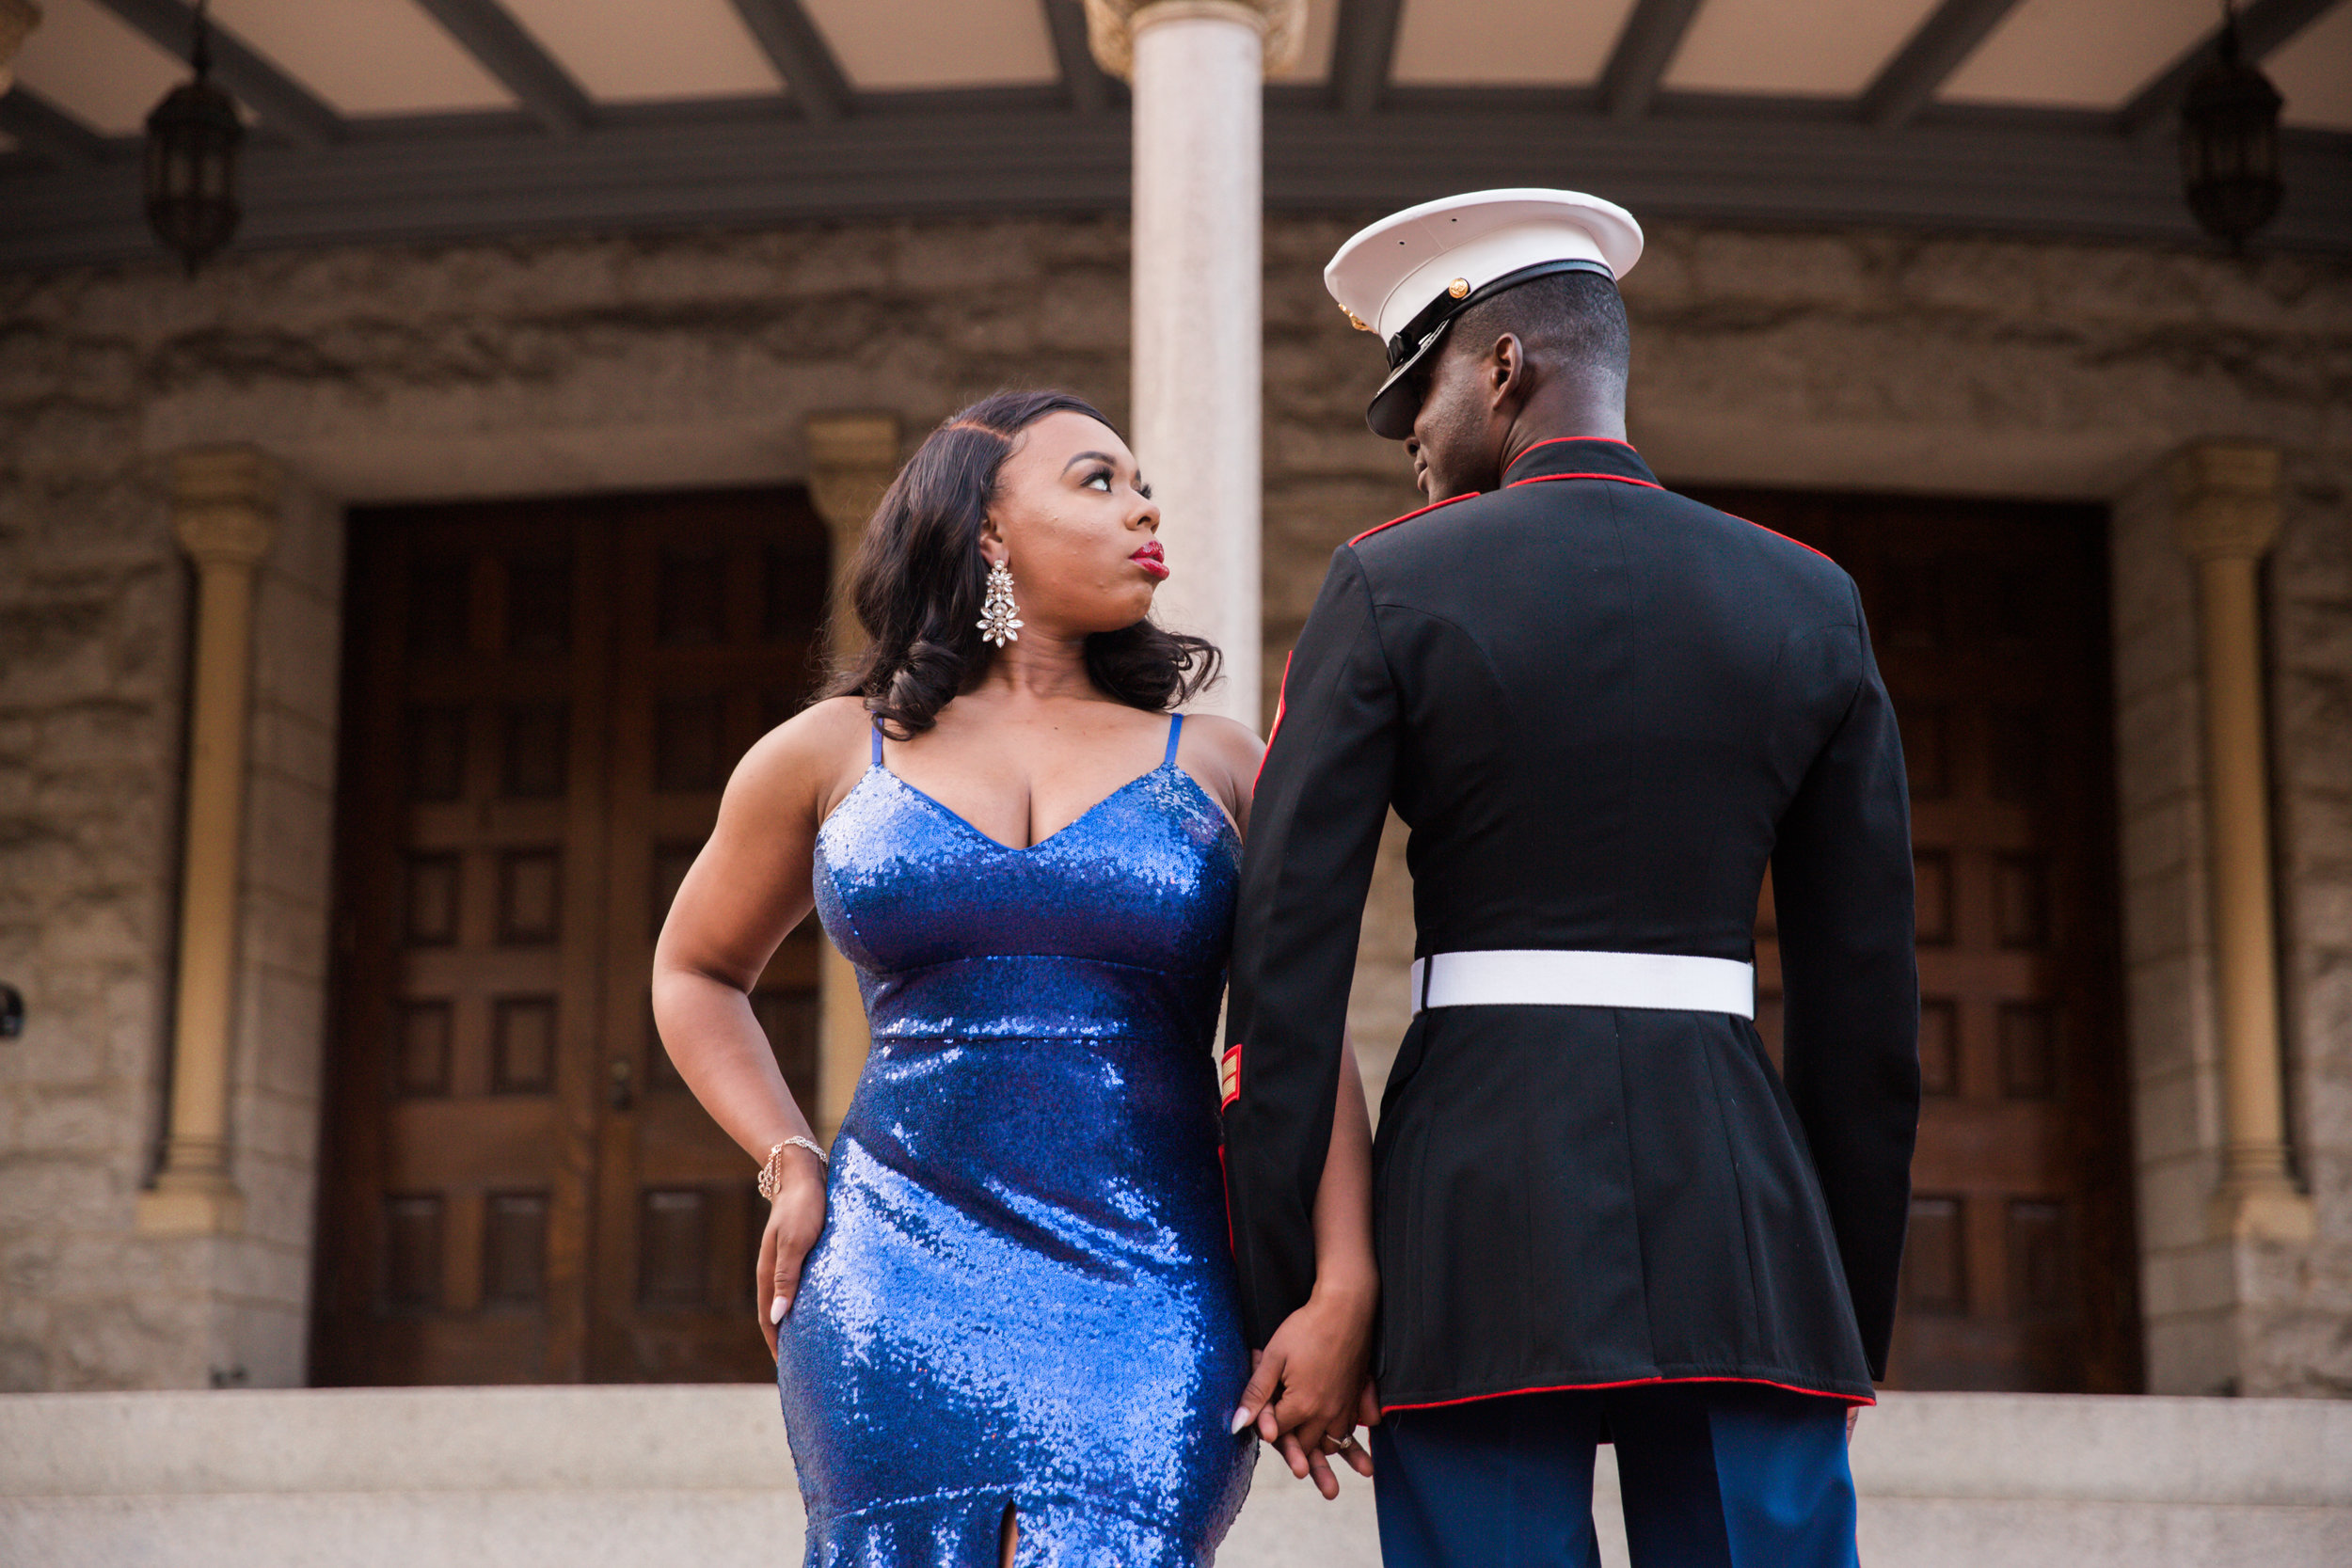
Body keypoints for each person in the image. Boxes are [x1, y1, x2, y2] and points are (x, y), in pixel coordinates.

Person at [1219, 190, 1922, 1567]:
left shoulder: (1386, 583)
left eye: (1419, 388)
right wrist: (1840, 1308)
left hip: (1475, 1221)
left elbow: (1284, 961)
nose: (1411, 435)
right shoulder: (1809, 598)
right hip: (1748, 1233)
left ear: (1502, 367)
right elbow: (1866, 1007)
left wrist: (1294, 1291)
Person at [650, 389, 1378, 1568]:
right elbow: (694, 968)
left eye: (1142, 483)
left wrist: (1343, 1282)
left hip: (1155, 1291)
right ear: (985, 530)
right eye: (1097, 479)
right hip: (891, 1285)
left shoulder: (1229, 763)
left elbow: (1308, 1037)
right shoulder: (830, 751)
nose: (1142, 504)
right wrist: (786, 1158)